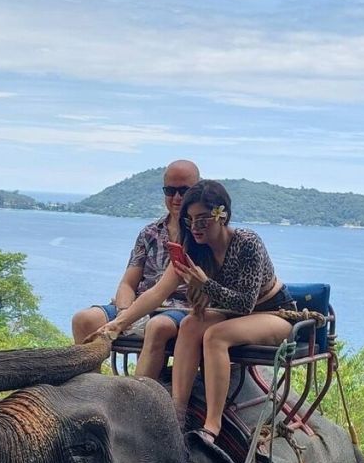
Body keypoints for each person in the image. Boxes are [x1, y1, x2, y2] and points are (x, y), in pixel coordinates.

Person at [99, 180, 295, 442]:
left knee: (215, 336)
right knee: (190, 324)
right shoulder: (194, 249)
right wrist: (118, 323)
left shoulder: (247, 243)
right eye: (189, 220)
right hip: (233, 313)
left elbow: (245, 304)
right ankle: (177, 413)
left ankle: (212, 425)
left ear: (222, 215)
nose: (195, 227)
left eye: (202, 219)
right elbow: (157, 293)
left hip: (273, 312)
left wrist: (205, 284)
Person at [71, 160, 200, 379]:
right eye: (170, 191)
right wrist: (125, 312)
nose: (177, 198)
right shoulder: (150, 233)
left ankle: (139, 392)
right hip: (139, 306)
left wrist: (126, 320)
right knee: (84, 320)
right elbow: (128, 283)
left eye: (184, 191)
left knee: (157, 326)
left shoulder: (200, 234)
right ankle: (92, 387)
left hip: (180, 308)